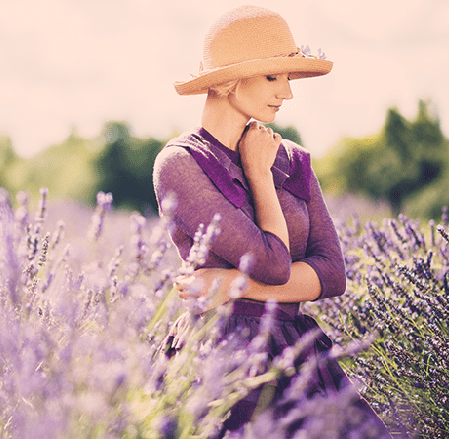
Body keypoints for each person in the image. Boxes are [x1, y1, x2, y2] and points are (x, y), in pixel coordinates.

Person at [152, 5, 392, 437]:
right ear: (228, 80)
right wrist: (259, 175)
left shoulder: (293, 160)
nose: (288, 92)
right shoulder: (181, 163)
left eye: (288, 78)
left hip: (295, 350)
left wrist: (231, 284)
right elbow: (272, 263)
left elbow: (333, 274)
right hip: (219, 355)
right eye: (272, 76)